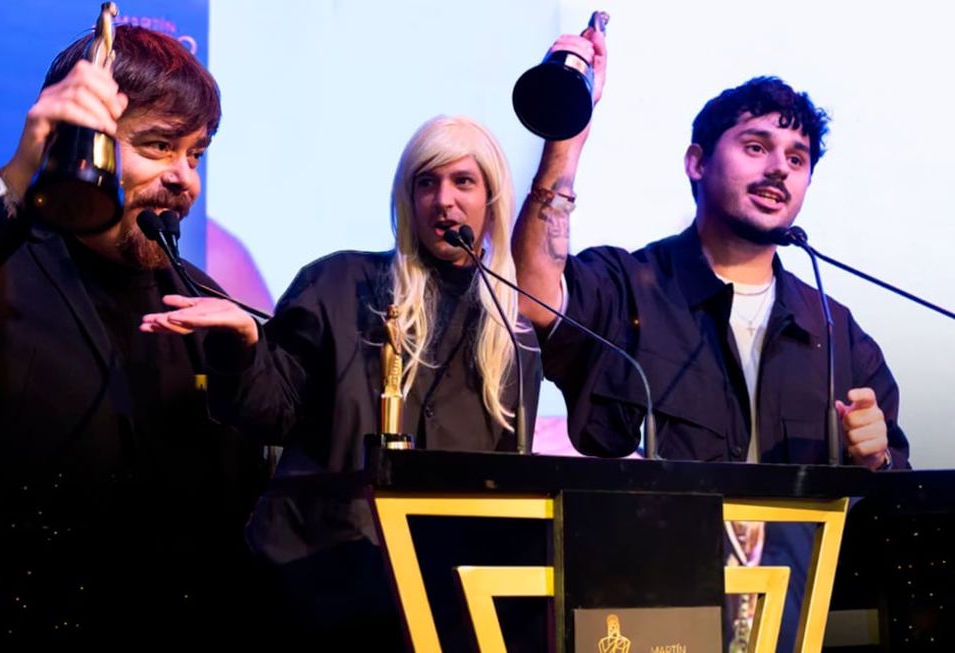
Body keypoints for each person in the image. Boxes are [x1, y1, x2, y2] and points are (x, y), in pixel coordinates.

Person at [511, 29, 910, 653]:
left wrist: (878, 464)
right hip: (646, 625)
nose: (779, 167)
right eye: (756, 146)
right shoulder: (626, 287)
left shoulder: (839, 337)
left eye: (797, 158)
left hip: (794, 632)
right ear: (697, 162)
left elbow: (897, 523)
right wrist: (567, 136)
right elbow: (536, 287)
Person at [0, 26, 279, 641]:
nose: (187, 180)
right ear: (87, 142)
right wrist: (23, 175)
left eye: (197, 154)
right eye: (159, 146)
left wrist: (249, 364)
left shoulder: (202, 299)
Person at [231, 115, 544, 647]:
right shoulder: (338, 283)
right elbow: (269, 412)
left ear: (491, 199)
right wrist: (237, 350)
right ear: (407, 197)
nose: (443, 200)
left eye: (462, 181)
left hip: (437, 600)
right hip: (314, 579)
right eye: (426, 182)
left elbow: (505, 486)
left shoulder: (513, 335)